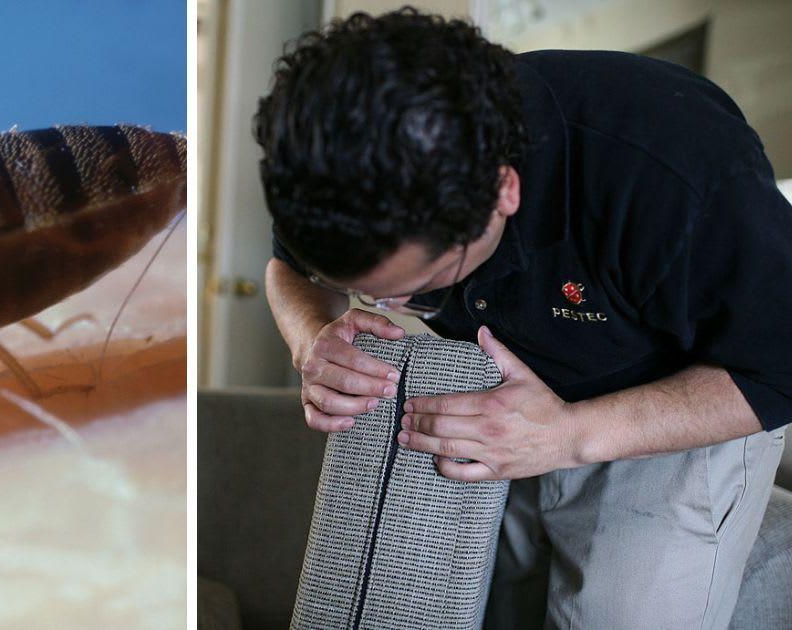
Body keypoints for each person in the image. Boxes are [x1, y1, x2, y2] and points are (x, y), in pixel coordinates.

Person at [255, 8, 791, 628]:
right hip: (506, 391)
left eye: (422, 291)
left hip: (674, 399)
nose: (394, 314)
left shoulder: (678, 177)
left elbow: (781, 367)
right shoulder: (337, 169)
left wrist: (567, 435)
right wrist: (310, 337)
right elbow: (288, 270)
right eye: (368, 294)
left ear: (502, 191)